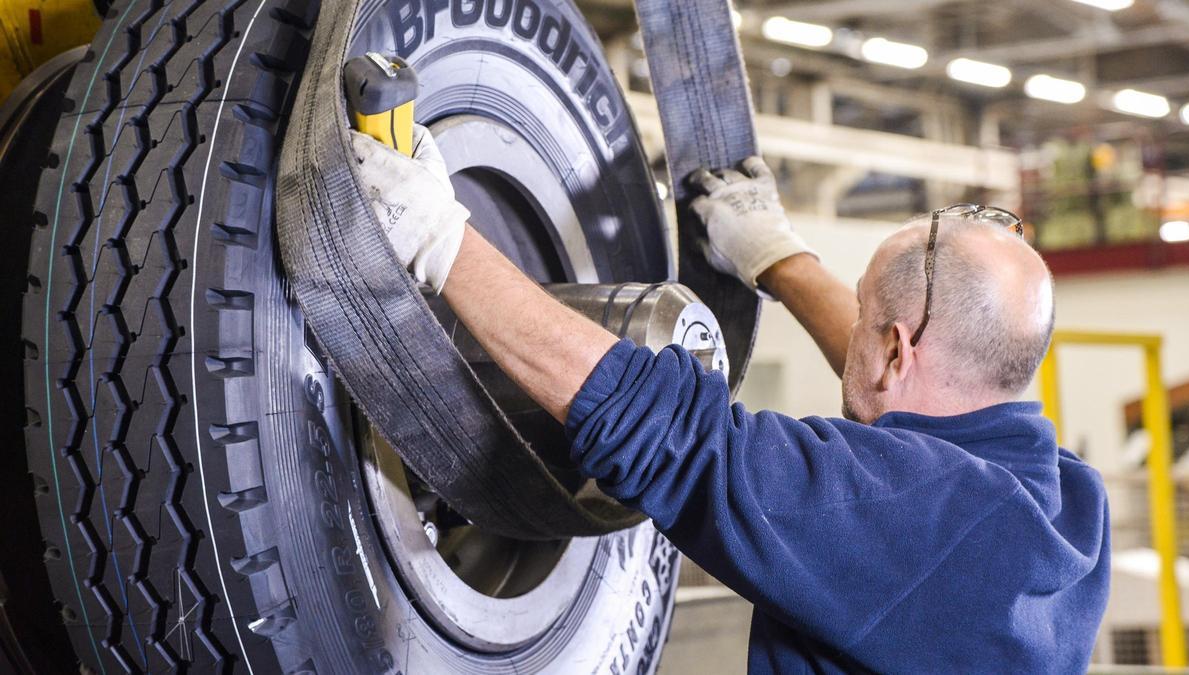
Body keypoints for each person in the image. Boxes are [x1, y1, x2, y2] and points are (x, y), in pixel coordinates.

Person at [351, 126, 1110, 673]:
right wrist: (776, 256)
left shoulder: (918, 511)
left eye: (867, 319)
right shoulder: (1066, 504)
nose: (858, 332)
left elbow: (670, 434)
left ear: (897, 351)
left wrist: (438, 237)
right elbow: (893, 367)